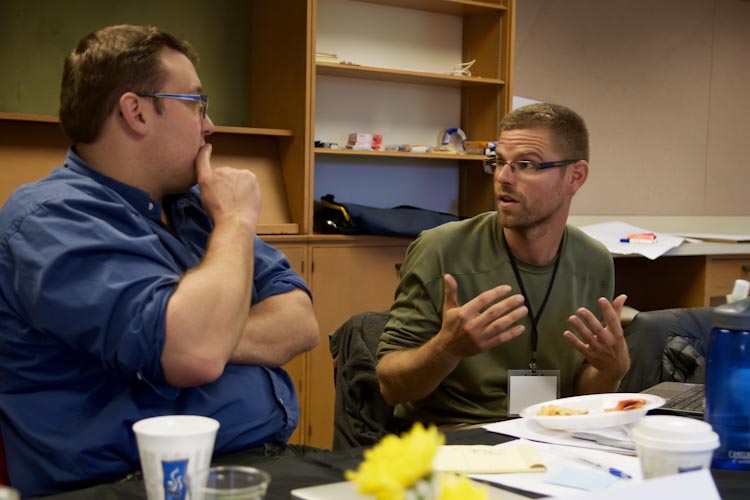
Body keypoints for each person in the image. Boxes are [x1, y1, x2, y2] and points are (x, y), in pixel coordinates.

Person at [0, 25, 319, 497]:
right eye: (196, 103)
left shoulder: (195, 206)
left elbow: (299, 320)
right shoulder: (51, 220)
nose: (209, 125)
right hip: (129, 484)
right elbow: (194, 352)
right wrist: (234, 224)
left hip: (254, 461)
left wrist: (204, 328)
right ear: (137, 112)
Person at [376, 102, 629, 425]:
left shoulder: (593, 261)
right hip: (457, 439)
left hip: (550, 437)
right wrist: (446, 349)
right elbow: (390, 387)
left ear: (575, 177)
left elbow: (581, 394)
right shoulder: (442, 249)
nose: (503, 178)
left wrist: (610, 371)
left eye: (525, 164)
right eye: (498, 162)